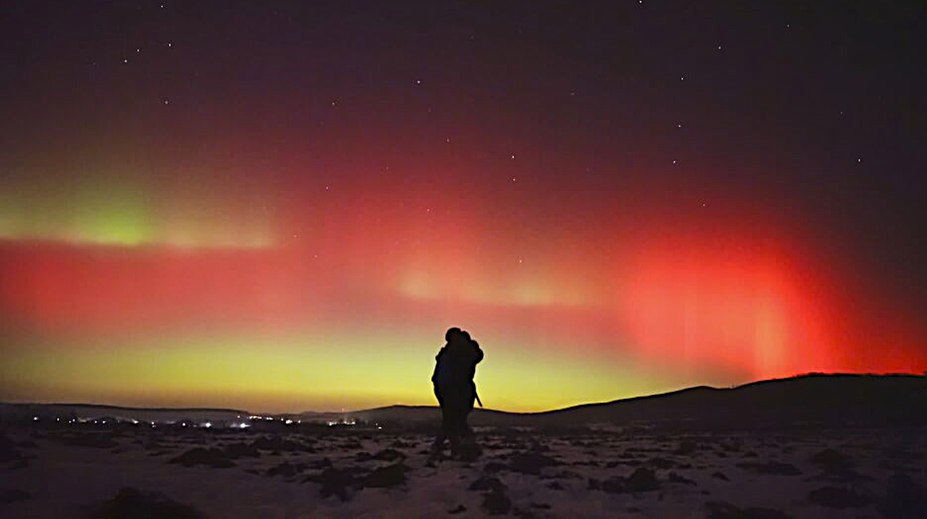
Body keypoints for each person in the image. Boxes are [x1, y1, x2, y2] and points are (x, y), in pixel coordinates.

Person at [431, 327, 483, 458]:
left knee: (452, 420)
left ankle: (450, 448)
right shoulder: (456, 351)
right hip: (455, 390)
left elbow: (477, 356)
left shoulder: (454, 351)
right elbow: (478, 356)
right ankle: (457, 448)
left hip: (453, 390)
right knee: (454, 420)